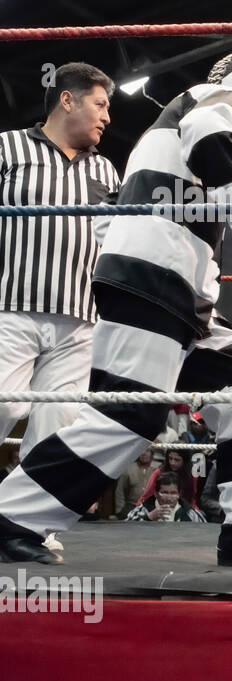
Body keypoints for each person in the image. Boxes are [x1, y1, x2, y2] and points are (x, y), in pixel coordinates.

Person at [0, 55, 232, 566]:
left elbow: (111, 219)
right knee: (129, 412)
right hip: (154, 282)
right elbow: (207, 129)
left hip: (179, 295)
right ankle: (10, 517)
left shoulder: (156, 137)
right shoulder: (210, 102)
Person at [1, 63, 121, 464]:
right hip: (11, 307)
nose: (107, 116)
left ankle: (29, 526)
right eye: (100, 104)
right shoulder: (8, 147)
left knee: (59, 427)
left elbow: (118, 240)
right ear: (67, 100)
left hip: (80, 320)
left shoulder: (106, 170)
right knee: (4, 407)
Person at [124, 471, 207, 523]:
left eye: (173, 493)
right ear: (156, 493)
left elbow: (204, 531)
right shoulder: (143, 509)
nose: (169, 497)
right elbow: (126, 529)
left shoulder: (190, 513)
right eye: (165, 492)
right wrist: (149, 518)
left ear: (179, 494)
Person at [114, 448, 157, 519]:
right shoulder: (128, 469)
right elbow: (119, 491)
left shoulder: (156, 469)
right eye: (141, 450)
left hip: (150, 507)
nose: (144, 453)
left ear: (152, 453)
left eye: (147, 451)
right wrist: (120, 510)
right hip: (131, 506)